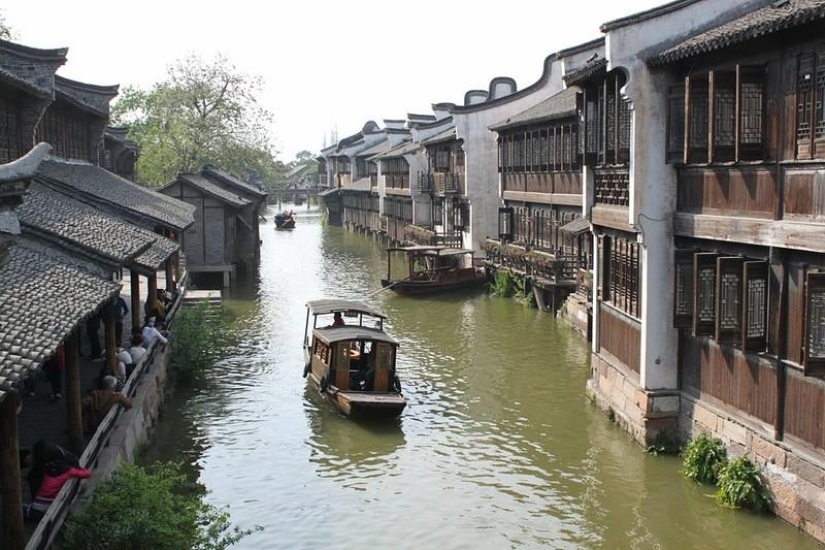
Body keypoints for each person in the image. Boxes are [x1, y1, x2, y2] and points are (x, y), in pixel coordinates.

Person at [26, 459, 90, 522]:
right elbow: (87, 474)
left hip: (36, 505)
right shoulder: (69, 471)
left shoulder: (49, 471)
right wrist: (80, 468)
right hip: (48, 508)